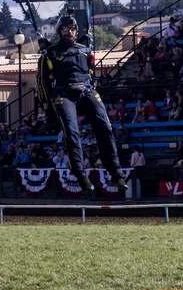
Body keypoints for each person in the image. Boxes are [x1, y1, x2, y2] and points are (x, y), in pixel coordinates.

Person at [37, 13, 127, 195]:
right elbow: (43, 82)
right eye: (65, 29)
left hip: (85, 90)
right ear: (59, 31)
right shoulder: (50, 53)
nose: (69, 32)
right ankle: (80, 174)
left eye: (72, 29)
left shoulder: (85, 50)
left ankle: (116, 173)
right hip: (63, 93)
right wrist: (46, 106)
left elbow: (91, 74)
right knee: (71, 131)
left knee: (105, 126)